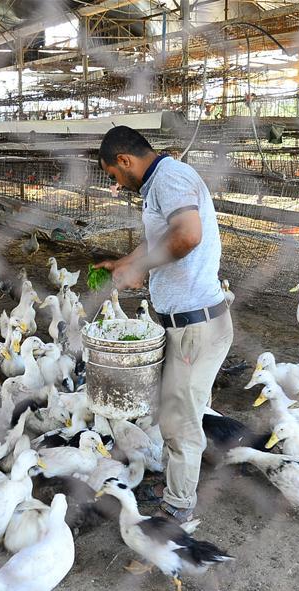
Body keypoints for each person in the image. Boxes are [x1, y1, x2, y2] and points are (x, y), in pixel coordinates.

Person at [95, 126, 233, 523]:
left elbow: (188, 236)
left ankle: (178, 508)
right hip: (187, 323)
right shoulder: (163, 182)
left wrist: (140, 266)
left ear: (125, 160)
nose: (117, 185)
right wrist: (126, 262)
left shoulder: (169, 179)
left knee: (179, 420)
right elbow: (165, 235)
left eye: (113, 176)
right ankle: (178, 483)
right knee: (176, 413)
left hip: (195, 327)